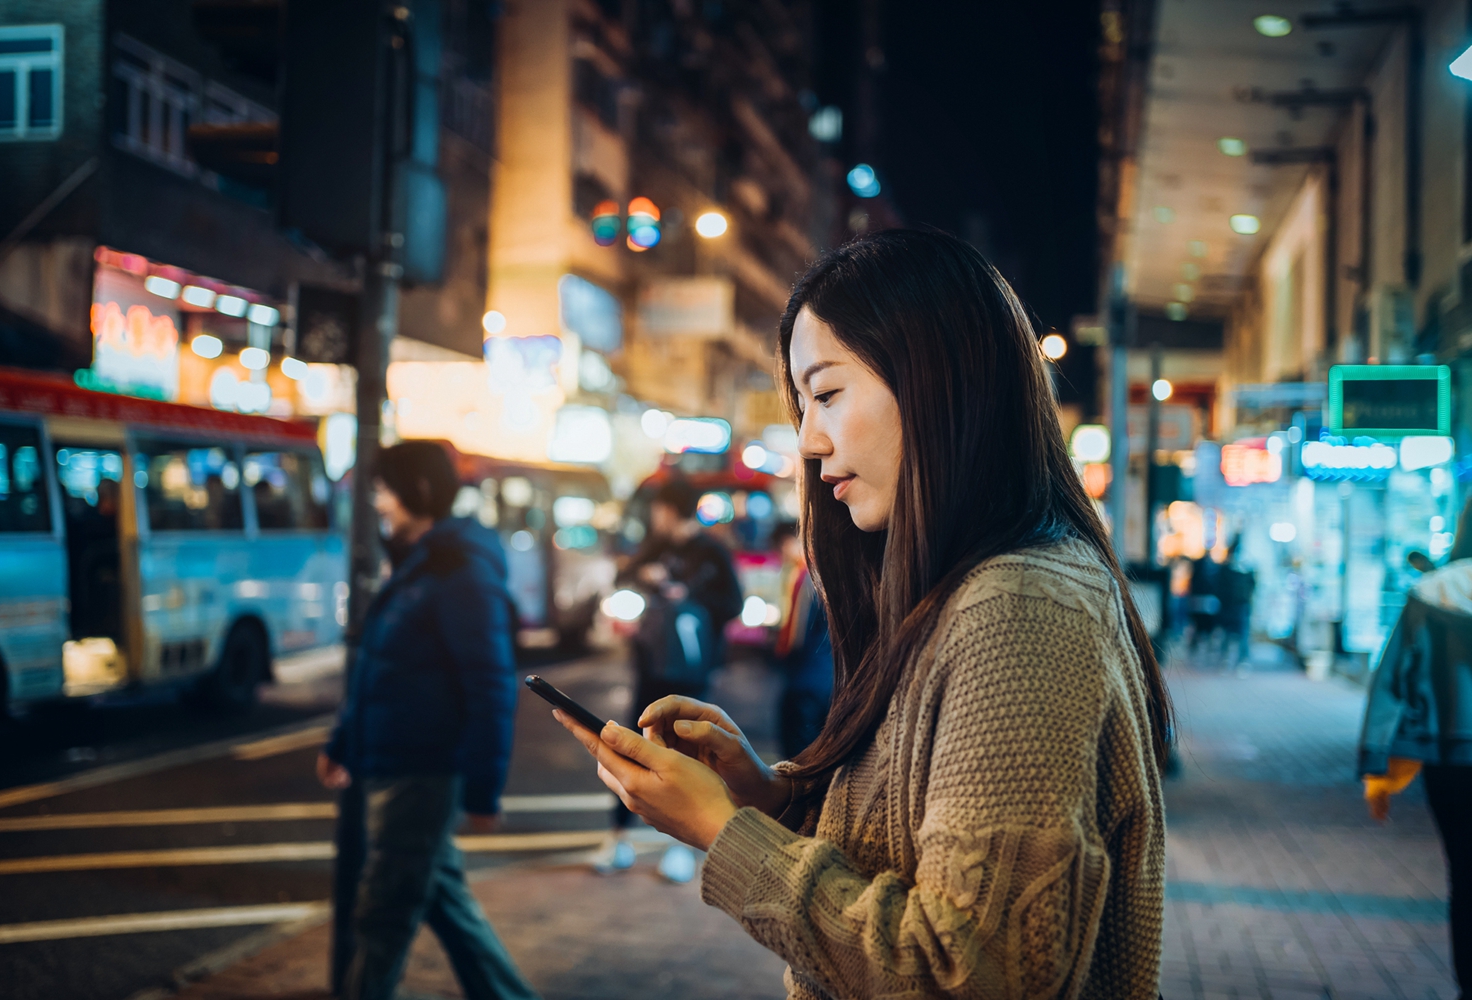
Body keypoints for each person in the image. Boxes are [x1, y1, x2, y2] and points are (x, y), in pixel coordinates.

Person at [555, 230, 1171, 998]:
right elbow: (914, 857)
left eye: (829, 393)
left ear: (936, 381)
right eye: (803, 403)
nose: (810, 441)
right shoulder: (965, 588)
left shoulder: (1019, 606)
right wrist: (770, 798)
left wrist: (726, 834)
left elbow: (975, 970)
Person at [318, 441, 539, 1000]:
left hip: (421, 770)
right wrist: (344, 741)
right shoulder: (421, 563)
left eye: (384, 488)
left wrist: (484, 790)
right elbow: (381, 668)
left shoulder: (460, 571)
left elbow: (490, 685)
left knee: (382, 915)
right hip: (393, 762)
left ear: (416, 491)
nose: (377, 500)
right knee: (442, 899)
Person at [591, 478, 743, 880]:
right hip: (651, 663)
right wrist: (647, 579)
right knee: (630, 744)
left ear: (672, 511)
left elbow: (733, 604)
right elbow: (624, 581)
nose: (654, 517)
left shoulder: (712, 552)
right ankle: (617, 838)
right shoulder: (655, 549)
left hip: (691, 669)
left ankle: (683, 850)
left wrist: (687, 596)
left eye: (659, 510)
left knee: (687, 754)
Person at [1360, 500, 1472, 999]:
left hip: (1449, 762)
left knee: (1464, 876)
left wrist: (1375, 764)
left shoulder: (1432, 592)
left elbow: (1391, 683)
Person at [771, 521, 833, 759]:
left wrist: (776, 650)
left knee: (797, 754)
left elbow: (795, 638)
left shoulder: (805, 577)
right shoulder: (830, 573)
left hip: (804, 680)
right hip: (828, 677)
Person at [1217, 538, 1256, 668]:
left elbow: (1252, 586)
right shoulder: (1227, 569)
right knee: (1228, 633)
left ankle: (1242, 660)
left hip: (1242, 605)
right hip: (1230, 606)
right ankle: (1225, 658)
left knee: (1242, 634)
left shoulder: (1247, 570)